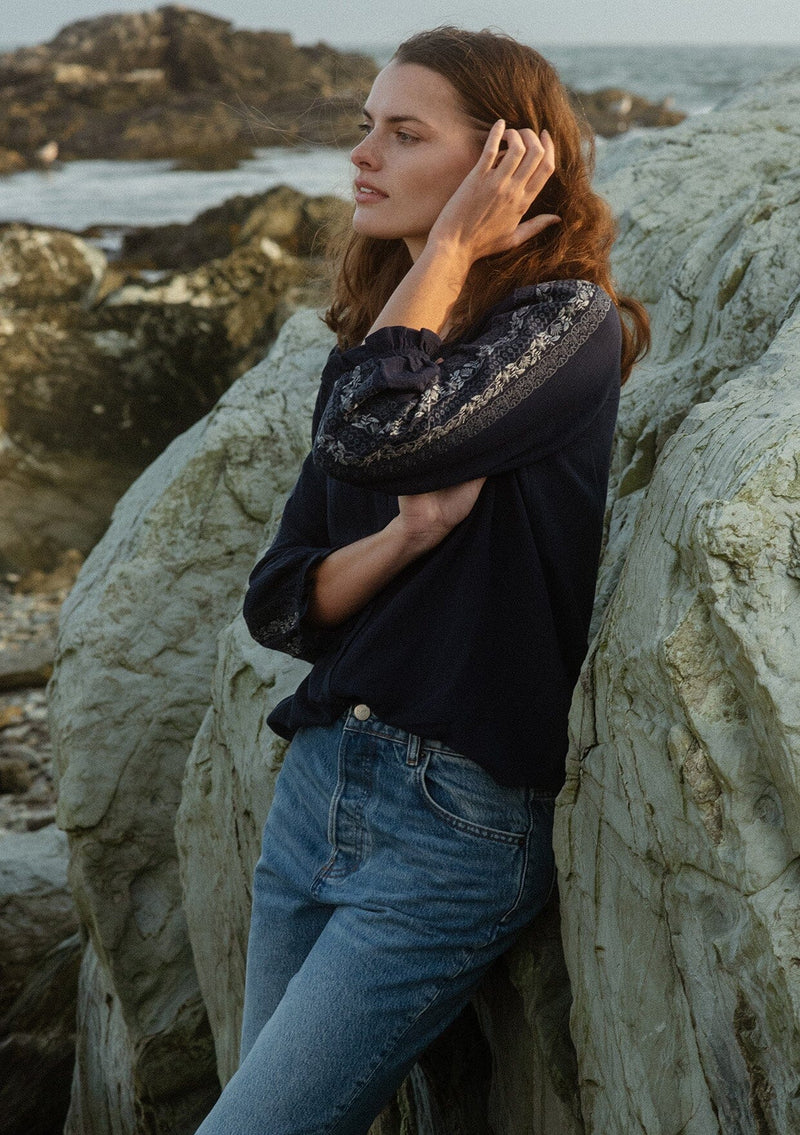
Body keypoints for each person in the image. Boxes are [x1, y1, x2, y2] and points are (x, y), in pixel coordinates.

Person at [194, 26, 649, 1135]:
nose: (363, 154)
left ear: (506, 164)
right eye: (364, 127)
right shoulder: (381, 336)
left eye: (403, 133)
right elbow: (283, 598)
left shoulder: (561, 325)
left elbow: (370, 434)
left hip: (454, 823)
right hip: (317, 787)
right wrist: (402, 540)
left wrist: (448, 247)